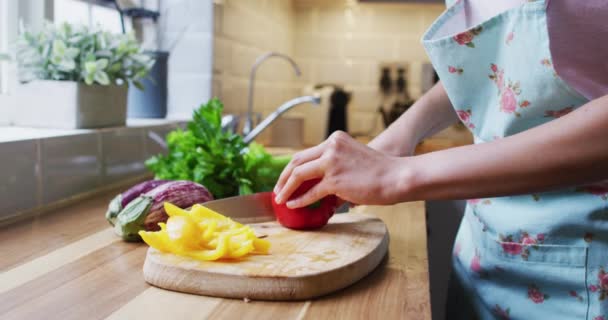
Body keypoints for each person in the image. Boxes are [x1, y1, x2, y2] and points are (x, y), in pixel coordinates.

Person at [273, 0, 608, 319]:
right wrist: (404, 132)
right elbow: (500, 65)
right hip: (482, 259)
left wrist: (398, 175)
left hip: (586, 274)